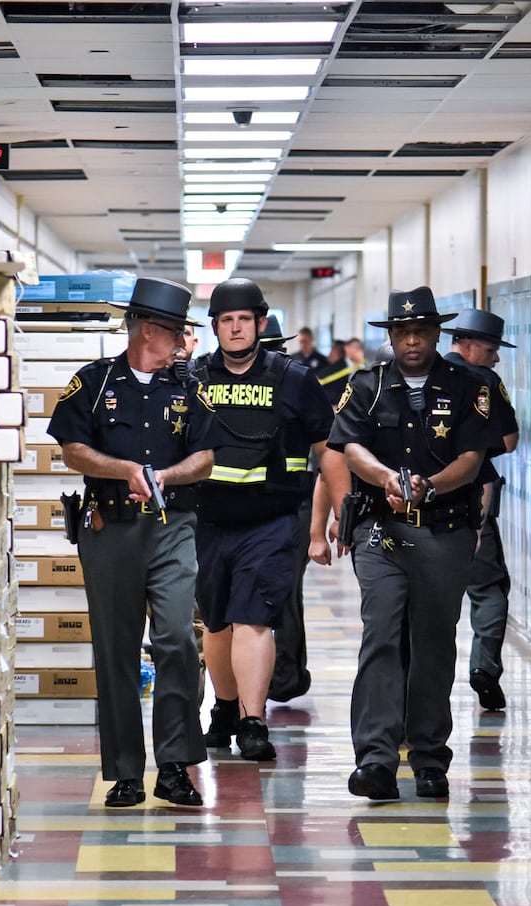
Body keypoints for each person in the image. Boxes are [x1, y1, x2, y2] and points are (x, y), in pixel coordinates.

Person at [47, 276, 223, 808]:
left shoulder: (188, 388)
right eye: (176, 333)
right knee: (116, 650)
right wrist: (122, 467)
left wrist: (169, 475)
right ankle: (125, 771)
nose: (183, 344)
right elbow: (72, 450)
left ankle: (173, 767)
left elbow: (207, 457)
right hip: (111, 529)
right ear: (150, 330)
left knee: (177, 640)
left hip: (172, 528)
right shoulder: (94, 383)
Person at [328, 286, 497, 801]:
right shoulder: (367, 385)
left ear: (436, 333)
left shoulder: (470, 386)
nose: (412, 340)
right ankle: (375, 759)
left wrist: (430, 485)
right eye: (402, 331)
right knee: (380, 633)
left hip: (445, 531)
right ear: (392, 336)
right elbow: (347, 447)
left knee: (432, 643)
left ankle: (428, 757)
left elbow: (473, 457)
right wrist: (386, 479)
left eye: (421, 330)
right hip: (381, 531)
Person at [194, 279, 336, 760]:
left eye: (244, 320)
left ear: (260, 323)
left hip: (272, 520)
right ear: (215, 327)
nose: (235, 329)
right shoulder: (193, 379)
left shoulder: (294, 379)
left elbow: (329, 450)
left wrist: (340, 510)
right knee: (215, 624)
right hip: (208, 521)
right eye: (226, 321)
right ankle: (225, 709)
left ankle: (254, 722)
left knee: (254, 618)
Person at [443, 308, 520, 712]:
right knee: (488, 589)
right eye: (491, 349)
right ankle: (484, 667)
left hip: (410, 509)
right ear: (467, 345)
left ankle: (414, 686)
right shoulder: (484, 382)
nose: (496, 358)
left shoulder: (416, 376)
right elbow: (508, 441)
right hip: (470, 500)